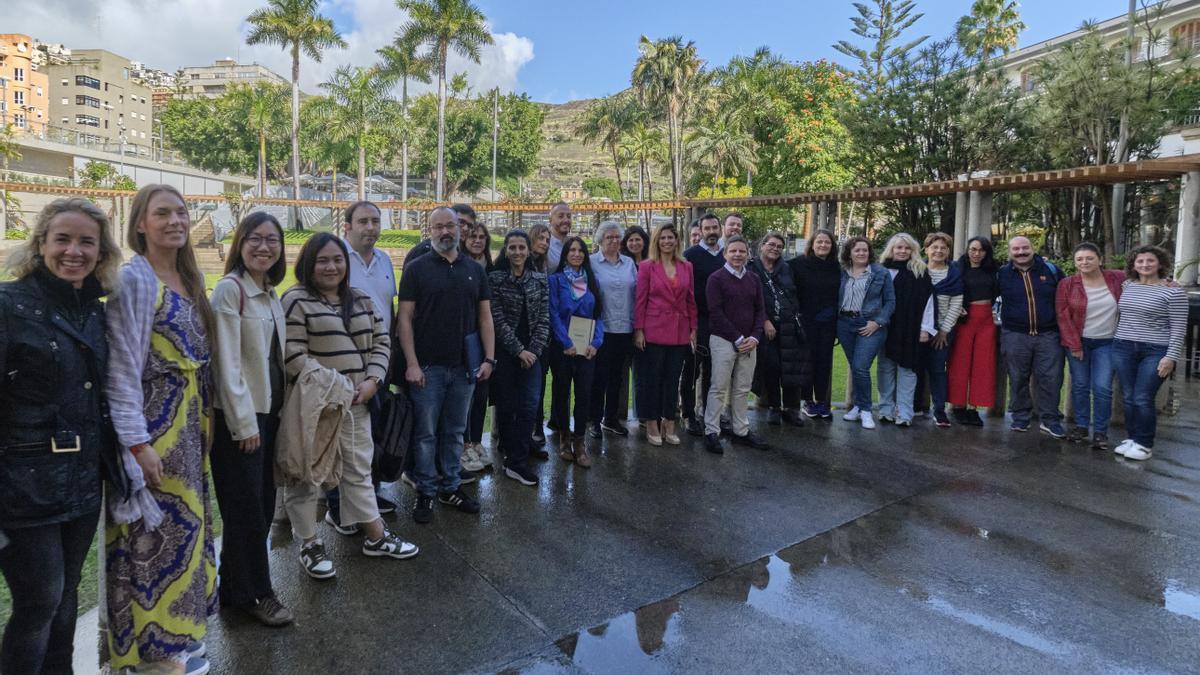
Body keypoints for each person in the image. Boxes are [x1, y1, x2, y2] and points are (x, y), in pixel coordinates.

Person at [0, 198, 127, 674]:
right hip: (22, 484)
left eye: (86, 242)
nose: (74, 251)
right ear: (40, 245)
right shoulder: (8, 306)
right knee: (39, 603)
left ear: (101, 252)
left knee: (67, 595)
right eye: (63, 239)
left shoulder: (93, 312)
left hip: (79, 482)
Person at [104, 184, 217, 673]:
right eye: (162, 213)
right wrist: (137, 445)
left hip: (191, 430)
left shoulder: (190, 278)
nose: (175, 220)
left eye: (181, 212)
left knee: (188, 534)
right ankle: (151, 651)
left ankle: (183, 634)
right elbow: (121, 371)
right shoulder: (136, 279)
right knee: (151, 541)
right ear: (141, 224)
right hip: (155, 431)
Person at [279, 234, 419, 579]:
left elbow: (382, 341)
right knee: (306, 474)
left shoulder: (360, 298)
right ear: (309, 264)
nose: (331, 267)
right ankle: (309, 543)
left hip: (358, 404)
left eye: (337, 260)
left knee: (358, 470)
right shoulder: (295, 300)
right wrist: (336, 386)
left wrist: (373, 380)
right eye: (323, 260)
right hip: (314, 408)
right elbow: (292, 354)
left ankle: (375, 536)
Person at [209, 212, 294, 627]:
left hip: (269, 414)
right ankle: (259, 593)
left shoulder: (270, 292)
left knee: (257, 505)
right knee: (247, 512)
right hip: (241, 421)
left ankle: (233, 590)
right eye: (255, 239)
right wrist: (244, 426)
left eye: (272, 240)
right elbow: (226, 365)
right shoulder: (230, 291)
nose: (264, 247)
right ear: (240, 243)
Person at [397, 207, 493, 523]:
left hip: (464, 367)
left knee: (454, 431)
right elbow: (405, 319)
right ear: (429, 230)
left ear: (459, 229)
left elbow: (485, 317)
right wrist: (411, 363)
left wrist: (489, 358)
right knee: (425, 434)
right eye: (438, 227)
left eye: (450, 226)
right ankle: (425, 491)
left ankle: (450, 486)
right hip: (427, 368)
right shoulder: (417, 268)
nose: (444, 232)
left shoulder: (474, 270)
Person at [336, 200, 400, 527]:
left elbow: (390, 308)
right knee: (342, 439)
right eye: (363, 221)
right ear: (347, 226)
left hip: (379, 361)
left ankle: (369, 497)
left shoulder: (385, 260)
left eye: (375, 221)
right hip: (345, 363)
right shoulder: (337, 260)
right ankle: (338, 510)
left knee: (373, 433)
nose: (370, 227)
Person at [1111, 246, 1188, 461]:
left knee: (1143, 397)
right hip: (1123, 346)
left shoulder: (1173, 291)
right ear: (1133, 265)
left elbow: (1179, 327)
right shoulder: (1128, 285)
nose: (1145, 265)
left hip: (1155, 350)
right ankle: (1133, 438)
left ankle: (1144, 443)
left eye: (1150, 261)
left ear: (1160, 263)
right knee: (1127, 396)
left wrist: (1170, 357)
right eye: (1140, 261)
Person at [488, 230, 549, 485]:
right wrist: (518, 350)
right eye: (512, 247)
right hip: (506, 353)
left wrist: (532, 351)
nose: (517, 252)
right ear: (506, 250)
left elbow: (544, 319)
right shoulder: (496, 279)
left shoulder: (539, 280)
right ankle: (513, 458)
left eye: (521, 247)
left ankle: (519, 456)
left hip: (532, 355)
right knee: (507, 405)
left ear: (528, 250)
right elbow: (497, 320)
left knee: (529, 405)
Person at [1055, 242, 1125, 450]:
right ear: (1075, 262)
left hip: (1107, 342)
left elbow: (1145, 280)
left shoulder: (1117, 278)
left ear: (1100, 260)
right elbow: (1063, 316)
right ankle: (1082, 426)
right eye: (1080, 259)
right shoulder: (1067, 284)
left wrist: (1167, 282)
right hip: (1078, 342)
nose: (1084, 262)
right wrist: (1075, 345)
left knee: (1102, 387)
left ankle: (1101, 431)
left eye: (1089, 258)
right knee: (1080, 385)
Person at [703, 236, 768, 453]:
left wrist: (755, 337)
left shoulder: (753, 279)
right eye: (733, 251)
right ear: (725, 253)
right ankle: (711, 431)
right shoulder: (716, 278)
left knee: (742, 389)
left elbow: (760, 310)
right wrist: (738, 338)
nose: (738, 255)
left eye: (742, 251)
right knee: (718, 387)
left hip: (750, 342)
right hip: (723, 340)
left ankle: (741, 430)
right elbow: (715, 312)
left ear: (748, 254)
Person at [633, 223, 697, 446]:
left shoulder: (686, 266)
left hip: (679, 330)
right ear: (657, 241)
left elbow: (691, 300)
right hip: (653, 330)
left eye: (671, 238)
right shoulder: (647, 266)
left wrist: (693, 329)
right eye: (663, 238)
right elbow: (640, 301)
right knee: (652, 380)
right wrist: (639, 330)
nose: (667, 241)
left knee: (673, 380)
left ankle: (669, 423)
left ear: (677, 241)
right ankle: (651, 423)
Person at [997, 236, 1066, 437]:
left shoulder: (1051, 270)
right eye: (1016, 249)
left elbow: (1070, 291)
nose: (1021, 252)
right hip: (1015, 334)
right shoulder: (1002, 274)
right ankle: (1020, 416)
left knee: (1051, 378)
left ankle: (1050, 419)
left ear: (1032, 248)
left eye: (1025, 248)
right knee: (1018, 377)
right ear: (1010, 251)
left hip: (1048, 334)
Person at [548, 236, 605, 467]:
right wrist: (566, 342)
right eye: (571, 250)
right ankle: (564, 437)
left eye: (581, 250)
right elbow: (553, 314)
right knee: (561, 393)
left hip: (587, 350)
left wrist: (596, 343)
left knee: (583, 394)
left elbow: (599, 315)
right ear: (565, 254)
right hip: (563, 349)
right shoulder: (556, 280)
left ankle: (579, 441)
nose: (577, 254)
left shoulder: (592, 281)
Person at [876, 233, 933, 428]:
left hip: (910, 327)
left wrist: (925, 328)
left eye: (907, 248)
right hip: (886, 327)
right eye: (898, 247)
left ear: (913, 250)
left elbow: (929, 302)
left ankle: (905, 412)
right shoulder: (881, 271)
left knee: (907, 370)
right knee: (885, 368)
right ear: (891, 249)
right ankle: (885, 409)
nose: (902, 251)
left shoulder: (920, 271)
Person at [749, 232, 807, 427]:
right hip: (765, 326)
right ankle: (774, 407)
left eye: (779, 246)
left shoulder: (787, 268)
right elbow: (751, 300)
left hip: (789, 324)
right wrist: (764, 320)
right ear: (762, 246)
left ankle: (792, 409)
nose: (775, 249)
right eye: (771, 245)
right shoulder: (751, 268)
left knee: (791, 367)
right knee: (771, 367)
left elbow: (796, 294)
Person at [837, 236, 895, 430]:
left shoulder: (880, 273)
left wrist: (878, 322)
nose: (861, 253)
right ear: (849, 254)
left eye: (865, 250)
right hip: (845, 323)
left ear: (870, 252)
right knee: (855, 366)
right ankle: (857, 407)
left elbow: (890, 302)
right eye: (857, 250)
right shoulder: (842, 272)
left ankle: (866, 410)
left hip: (870, 324)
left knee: (861, 366)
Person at [588, 221, 637, 438]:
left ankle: (611, 418)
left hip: (624, 328)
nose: (614, 241)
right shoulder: (591, 263)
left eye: (617, 237)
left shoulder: (629, 263)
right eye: (609, 237)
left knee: (617, 377)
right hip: (601, 329)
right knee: (598, 377)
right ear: (600, 240)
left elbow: (636, 294)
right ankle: (594, 421)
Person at [948, 236, 999, 426]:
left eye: (981, 250)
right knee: (959, 363)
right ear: (967, 250)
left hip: (987, 320)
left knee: (983, 365)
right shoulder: (957, 268)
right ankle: (958, 406)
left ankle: (974, 408)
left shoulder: (994, 269)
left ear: (986, 252)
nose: (976, 253)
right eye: (973, 249)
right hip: (964, 319)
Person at [790, 229, 840, 420]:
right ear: (812, 244)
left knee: (824, 362)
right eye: (819, 242)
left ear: (832, 246)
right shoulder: (797, 264)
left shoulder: (836, 267)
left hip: (827, 322)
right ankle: (806, 400)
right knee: (806, 361)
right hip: (805, 322)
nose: (823, 245)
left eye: (827, 242)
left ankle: (821, 400)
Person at [682, 213, 725, 436]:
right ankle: (688, 415)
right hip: (696, 322)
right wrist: (691, 325)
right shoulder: (690, 255)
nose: (711, 232)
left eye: (714, 227)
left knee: (712, 372)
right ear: (701, 230)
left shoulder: (727, 254)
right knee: (691, 372)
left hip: (720, 324)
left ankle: (708, 414)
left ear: (720, 229)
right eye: (706, 228)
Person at [460, 214, 495, 473]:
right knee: (465, 395)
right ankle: (463, 446)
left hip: (487, 339)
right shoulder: (459, 266)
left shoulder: (491, 268)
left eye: (482, 237)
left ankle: (475, 441)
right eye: (473, 236)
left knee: (482, 392)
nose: (478, 241)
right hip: (464, 338)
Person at [920, 233, 963, 428]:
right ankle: (913, 406)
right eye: (934, 247)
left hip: (942, 330)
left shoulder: (954, 273)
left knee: (938, 369)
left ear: (948, 251)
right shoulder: (917, 270)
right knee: (913, 368)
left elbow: (956, 303)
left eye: (943, 248)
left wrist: (944, 331)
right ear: (926, 249)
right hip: (917, 328)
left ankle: (939, 409)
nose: (938, 251)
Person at [527, 222, 553, 452]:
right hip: (522, 337)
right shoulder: (523, 263)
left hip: (542, 336)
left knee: (538, 384)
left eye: (547, 239)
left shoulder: (543, 266)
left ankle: (536, 429)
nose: (544, 242)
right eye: (541, 238)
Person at [546, 202, 572, 270]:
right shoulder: (545, 245)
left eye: (569, 216)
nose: (566, 220)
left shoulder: (574, 244)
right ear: (550, 220)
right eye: (560, 216)